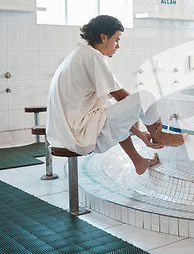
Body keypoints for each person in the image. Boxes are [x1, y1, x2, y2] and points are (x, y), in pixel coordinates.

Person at [47, 15, 185, 175]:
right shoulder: (92, 56)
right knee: (147, 97)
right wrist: (151, 123)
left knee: (112, 110)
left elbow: (116, 111)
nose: (118, 46)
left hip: (64, 135)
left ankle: (138, 161)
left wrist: (140, 135)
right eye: (117, 40)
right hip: (80, 136)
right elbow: (121, 97)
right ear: (104, 37)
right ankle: (158, 134)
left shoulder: (78, 53)